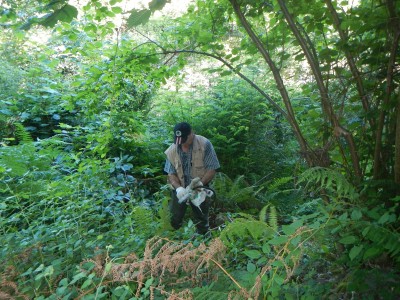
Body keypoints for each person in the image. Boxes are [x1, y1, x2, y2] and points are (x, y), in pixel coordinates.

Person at [164, 122, 220, 234]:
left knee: (201, 216)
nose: (182, 143)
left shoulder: (204, 144)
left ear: (191, 133)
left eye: (184, 139)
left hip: (199, 187)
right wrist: (178, 188)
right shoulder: (172, 149)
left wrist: (200, 183)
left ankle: (203, 236)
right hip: (180, 189)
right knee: (174, 216)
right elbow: (171, 173)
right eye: (179, 140)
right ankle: (173, 239)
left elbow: (212, 169)